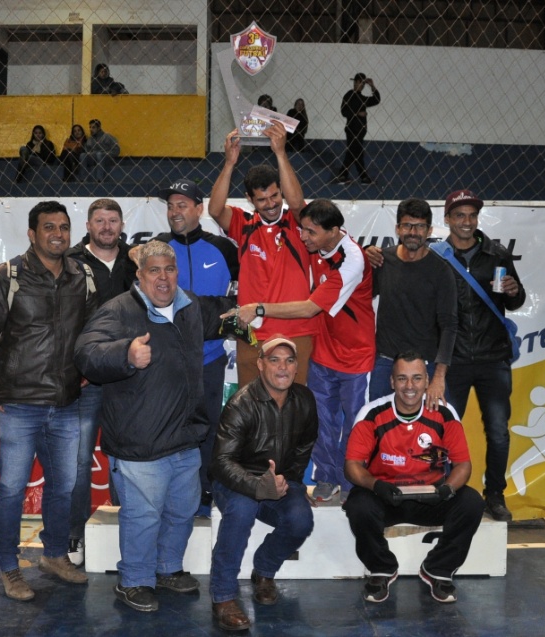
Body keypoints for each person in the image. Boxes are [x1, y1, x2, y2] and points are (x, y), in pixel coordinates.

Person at [74, 240, 234, 613]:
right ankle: (134, 580)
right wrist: (125, 354)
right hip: (139, 440)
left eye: (170, 269)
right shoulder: (118, 311)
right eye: (155, 271)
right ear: (140, 275)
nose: (164, 278)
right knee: (143, 516)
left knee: (182, 510)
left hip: (184, 437)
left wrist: (253, 312)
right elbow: (85, 353)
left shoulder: (189, 306)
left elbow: (221, 314)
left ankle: (167, 569)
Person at [0, 200, 97, 601]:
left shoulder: (82, 276)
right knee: (10, 489)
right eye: (48, 227)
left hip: (66, 402)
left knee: (64, 486)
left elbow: (92, 333)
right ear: (31, 233)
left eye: (63, 227)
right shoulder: (6, 277)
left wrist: (91, 371)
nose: (58, 234)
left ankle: (54, 554)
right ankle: (9, 566)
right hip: (19, 404)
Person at [235, 199, 375, 503]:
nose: (304, 237)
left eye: (311, 232)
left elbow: (310, 308)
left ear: (333, 231)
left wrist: (258, 307)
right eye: (303, 230)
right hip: (324, 349)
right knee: (321, 420)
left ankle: (352, 483)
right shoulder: (318, 246)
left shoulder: (352, 259)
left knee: (355, 423)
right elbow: (298, 202)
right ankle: (326, 478)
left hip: (355, 356)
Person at [343, 352, 484, 604]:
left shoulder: (445, 413)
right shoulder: (372, 414)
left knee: (471, 502)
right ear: (391, 382)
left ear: (427, 380)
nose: (410, 386)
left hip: (432, 498)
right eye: (402, 378)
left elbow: (463, 465)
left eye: (417, 378)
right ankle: (381, 569)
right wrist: (376, 485)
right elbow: (352, 466)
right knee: (358, 503)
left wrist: (447, 490)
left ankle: (438, 569)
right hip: (386, 497)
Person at [209, 336, 318, 631]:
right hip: (235, 481)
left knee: (300, 519)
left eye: (289, 360)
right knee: (242, 510)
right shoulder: (241, 404)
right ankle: (223, 597)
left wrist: (289, 482)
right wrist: (258, 486)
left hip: (277, 483)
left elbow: (303, 448)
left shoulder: (305, 400)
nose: (282, 367)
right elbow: (221, 462)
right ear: (260, 365)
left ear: (297, 367)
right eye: (274, 359)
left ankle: (264, 571)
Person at [207, 123, 317, 388]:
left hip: (296, 331)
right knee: (252, 411)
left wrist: (280, 153)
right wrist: (230, 163)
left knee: (293, 412)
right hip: (253, 334)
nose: (271, 204)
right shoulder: (244, 224)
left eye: (275, 196)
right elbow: (214, 209)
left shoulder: (298, 222)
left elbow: (298, 201)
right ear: (250, 199)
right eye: (262, 199)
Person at [155, 178, 239, 517]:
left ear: (199, 209)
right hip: (167, 363)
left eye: (183, 204)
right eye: (171, 205)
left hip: (210, 359)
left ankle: (205, 497)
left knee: (208, 431)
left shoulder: (224, 248)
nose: (175, 211)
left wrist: (222, 323)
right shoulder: (156, 247)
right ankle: (169, 499)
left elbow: (242, 296)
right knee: (167, 430)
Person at [441, 188, 526, 522]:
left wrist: (515, 291)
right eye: (459, 215)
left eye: (472, 215)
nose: (466, 221)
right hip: (454, 360)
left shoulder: (497, 254)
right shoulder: (437, 257)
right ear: (447, 219)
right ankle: (446, 493)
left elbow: (515, 301)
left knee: (498, 432)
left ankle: (495, 496)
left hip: (494, 359)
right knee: (446, 431)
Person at [63, 198, 138, 567]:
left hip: (130, 375)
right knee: (79, 461)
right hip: (88, 378)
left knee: (130, 457)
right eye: (99, 221)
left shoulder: (136, 260)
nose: (107, 227)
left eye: (113, 220)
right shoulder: (71, 262)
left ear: (122, 224)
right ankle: (75, 534)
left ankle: (132, 530)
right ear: (89, 225)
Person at [364, 198, 458, 407]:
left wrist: (439, 377)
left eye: (420, 226)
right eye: (407, 225)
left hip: (427, 367)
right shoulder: (381, 261)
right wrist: (364, 254)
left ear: (429, 230)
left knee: (436, 431)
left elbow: (449, 326)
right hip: (385, 363)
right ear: (398, 228)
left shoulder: (441, 271)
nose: (413, 232)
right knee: (379, 430)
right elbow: (359, 299)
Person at [333, 73, 380, 185]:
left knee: (354, 153)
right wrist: (357, 113)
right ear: (356, 82)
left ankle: (344, 176)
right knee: (356, 153)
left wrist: (373, 86)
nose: (363, 85)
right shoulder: (349, 95)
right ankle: (361, 177)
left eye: (364, 83)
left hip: (360, 131)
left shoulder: (362, 97)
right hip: (352, 129)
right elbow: (344, 112)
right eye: (361, 83)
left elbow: (376, 100)